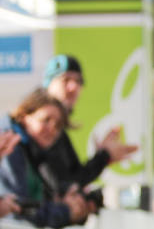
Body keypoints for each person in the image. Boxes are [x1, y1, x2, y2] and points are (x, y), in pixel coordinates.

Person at [40, 55, 138, 195]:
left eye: (78, 82)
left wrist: (104, 156)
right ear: (48, 84)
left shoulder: (59, 131)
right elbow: (63, 187)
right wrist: (104, 156)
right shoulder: (42, 129)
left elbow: (74, 179)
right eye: (65, 79)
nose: (73, 87)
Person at [0, 89, 90, 228]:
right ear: (24, 116)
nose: (52, 129)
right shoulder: (10, 145)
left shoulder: (34, 149)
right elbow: (18, 209)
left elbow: (33, 202)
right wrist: (66, 211)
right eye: (46, 120)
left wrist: (64, 196)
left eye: (58, 125)